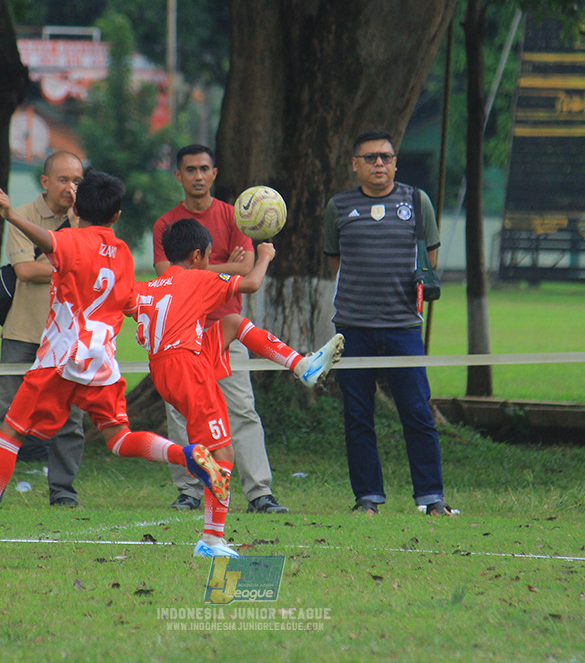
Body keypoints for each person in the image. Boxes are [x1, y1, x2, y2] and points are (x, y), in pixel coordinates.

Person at [0, 171, 229, 556]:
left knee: (9, 435)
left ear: (75, 207)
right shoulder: (121, 253)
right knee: (118, 439)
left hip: (60, 358)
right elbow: (131, 302)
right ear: (117, 216)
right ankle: (186, 454)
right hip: (102, 361)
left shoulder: (70, 240)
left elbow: (48, 239)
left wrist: (11, 217)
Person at [129, 218, 344, 557]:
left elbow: (129, 308)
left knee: (231, 323)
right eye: (209, 255)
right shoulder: (199, 278)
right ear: (198, 255)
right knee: (222, 453)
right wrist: (265, 256)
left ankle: (302, 365)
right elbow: (253, 283)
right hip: (188, 367)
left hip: (167, 367)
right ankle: (212, 540)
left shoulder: (148, 286)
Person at [323, 130, 457, 517]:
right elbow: (337, 261)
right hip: (352, 328)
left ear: (396, 162)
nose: (378, 163)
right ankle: (368, 498)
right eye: (370, 158)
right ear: (355, 164)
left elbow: (428, 258)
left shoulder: (417, 201)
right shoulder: (339, 206)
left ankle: (431, 498)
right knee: (358, 415)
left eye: (385, 157)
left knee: (417, 411)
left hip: (403, 327)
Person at [152, 144, 287, 514]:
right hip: (180, 335)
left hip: (226, 332)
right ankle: (190, 490)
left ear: (215, 173)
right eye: (190, 169)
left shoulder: (235, 216)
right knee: (181, 415)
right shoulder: (167, 224)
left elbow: (244, 273)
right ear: (178, 175)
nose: (197, 175)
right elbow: (166, 274)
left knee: (241, 409)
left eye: (204, 169)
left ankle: (260, 493)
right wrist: (225, 267)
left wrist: (196, 272)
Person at [0, 151, 87, 507]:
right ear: (45, 182)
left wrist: (76, 229)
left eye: (77, 181)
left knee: (70, 419)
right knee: (4, 414)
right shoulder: (21, 215)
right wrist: (74, 264)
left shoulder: (87, 221)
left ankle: (63, 493)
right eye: (63, 180)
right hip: (25, 330)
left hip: (69, 335)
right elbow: (25, 271)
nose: (71, 188)